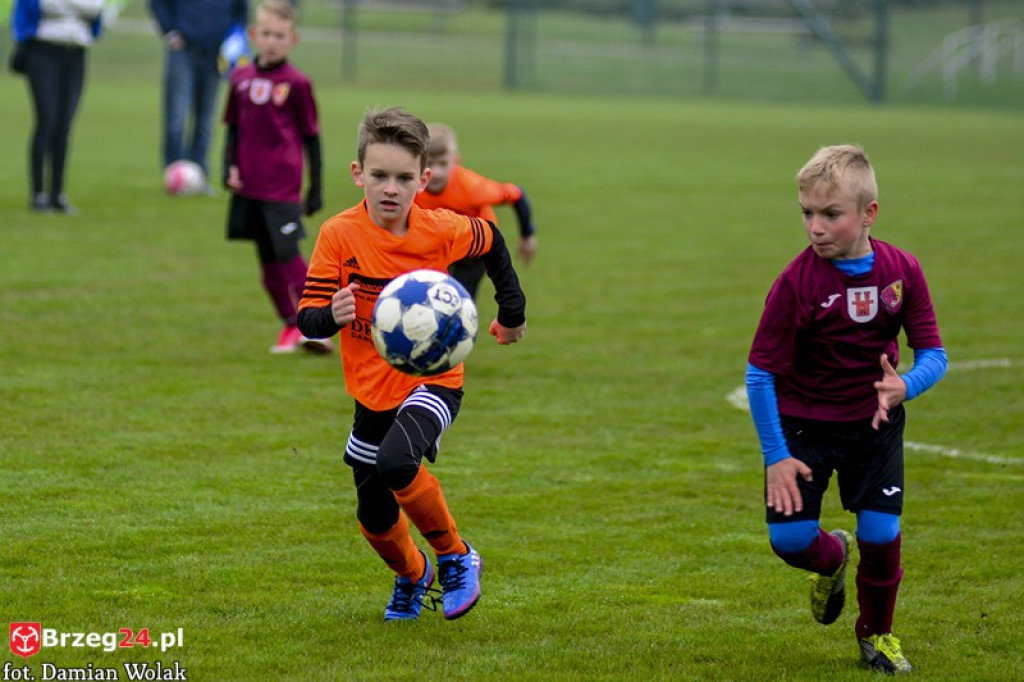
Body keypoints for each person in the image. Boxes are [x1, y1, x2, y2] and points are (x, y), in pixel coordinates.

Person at [296, 107, 527, 621]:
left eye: (404, 178)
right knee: (374, 514)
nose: (391, 189)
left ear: (424, 179)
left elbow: (492, 242)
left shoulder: (441, 228)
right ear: (358, 174)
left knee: (398, 463)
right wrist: (328, 316)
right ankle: (412, 575)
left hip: (435, 378)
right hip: (371, 391)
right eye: (379, 176)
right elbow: (307, 319)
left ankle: (456, 557)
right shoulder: (338, 235)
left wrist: (512, 314)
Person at [746, 145, 947, 675]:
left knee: (881, 533)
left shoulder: (902, 270)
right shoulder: (795, 284)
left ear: (869, 213)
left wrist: (906, 385)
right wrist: (776, 454)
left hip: (874, 428)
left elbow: (935, 354)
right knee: (789, 541)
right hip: (804, 428)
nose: (815, 227)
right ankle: (832, 557)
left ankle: (877, 637)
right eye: (807, 213)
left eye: (830, 214)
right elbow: (759, 374)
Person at [222, 0, 326, 355]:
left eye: (279, 35)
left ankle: (318, 326)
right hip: (248, 186)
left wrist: (315, 188)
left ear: (292, 39)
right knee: (266, 259)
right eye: (266, 33)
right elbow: (233, 129)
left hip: (282, 186)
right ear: (254, 35)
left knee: (288, 253)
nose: (271, 41)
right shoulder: (240, 79)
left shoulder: (298, 84)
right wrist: (228, 168)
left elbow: (312, 137)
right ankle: (288, 325)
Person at [414, 122, 537, 299]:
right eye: (429, 164)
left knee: (459, 299)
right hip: (438, 243)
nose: (436, 172)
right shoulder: (411, 187)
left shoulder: (470, 187)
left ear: (456, 161)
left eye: (442, 163)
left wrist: (527, 235)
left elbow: (516, 195)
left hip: (475, 248)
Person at [11, 0, 104, 214]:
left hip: (76, 53)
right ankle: (38, 193)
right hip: (44, 52)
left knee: (64, 124)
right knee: (47, 120)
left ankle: (57, 193)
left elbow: (96, 11)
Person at [149, 0, 248, 182]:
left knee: (205, 119)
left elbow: (241, 12)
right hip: (184, 49)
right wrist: (169, 30)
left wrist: (234, 39)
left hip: (215, 53)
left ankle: (199, 173)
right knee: (176, 116)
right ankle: (174, 173)